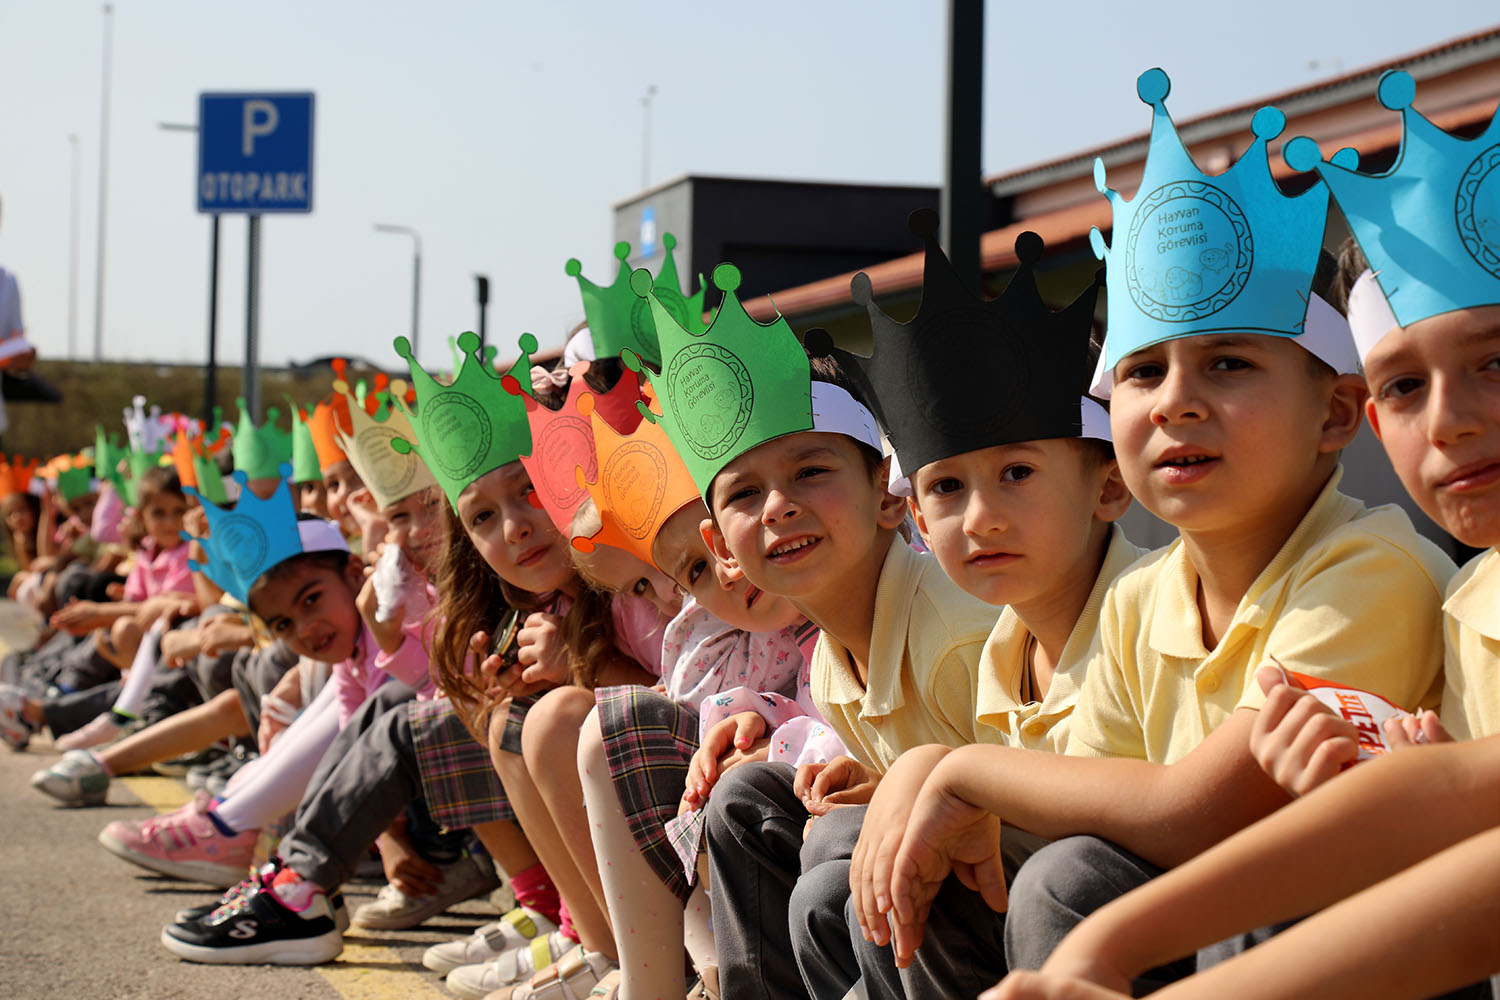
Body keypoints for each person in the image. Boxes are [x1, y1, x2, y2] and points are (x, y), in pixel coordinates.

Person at [862, 69, 1454, 996]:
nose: (1177, 401)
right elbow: (1083, 807)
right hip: (1193, 932)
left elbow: (1199, 815)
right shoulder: (1142, 601)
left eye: (1227, 363)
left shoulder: (1367, 566)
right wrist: (945, 788)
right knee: (998, 870)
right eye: (1142, 373)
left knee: (1193, 875)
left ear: (1338, 414)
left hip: (1347, 944)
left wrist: (955, 766)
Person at [790, 217, 1140, 1000]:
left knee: (1044, 874)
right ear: (916, 516)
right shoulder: (1002, 653)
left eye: (1016, 471)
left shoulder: (1136, 609)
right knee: (882, 876)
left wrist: (947, 771)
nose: (979, 517)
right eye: (947, 486)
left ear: (1110, 485)